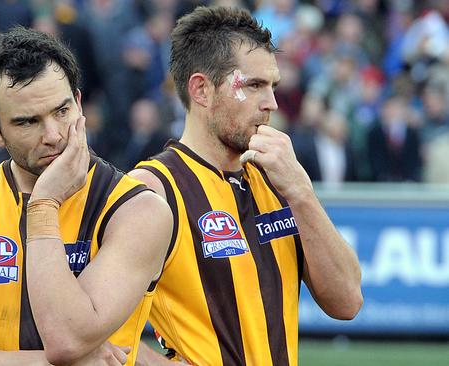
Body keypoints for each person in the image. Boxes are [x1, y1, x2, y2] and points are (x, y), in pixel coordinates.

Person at [0, 26, 172, 365]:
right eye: (28, 122)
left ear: (79, 102)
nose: (53, 135)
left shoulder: (136, 209)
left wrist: (43, 205)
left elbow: (68, 340)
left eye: (61, 111)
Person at [131, 6, 363, 365]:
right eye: (254, 85)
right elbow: (95, 333)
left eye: (273, 86)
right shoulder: (152, 188)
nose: (271, 103)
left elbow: (347, 301)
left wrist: (302, 192)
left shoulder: (278, 180)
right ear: (201, 90)